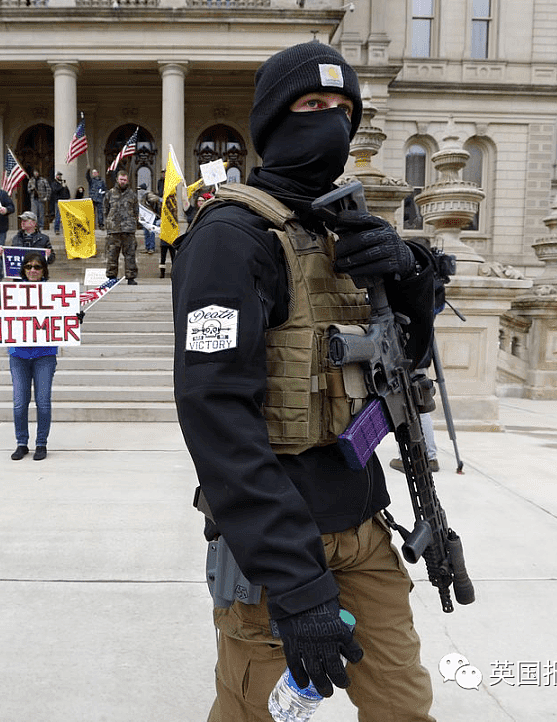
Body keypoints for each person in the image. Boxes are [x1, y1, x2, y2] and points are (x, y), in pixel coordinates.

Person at [172, 42, 439, 722]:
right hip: (276, 543)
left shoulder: (343, 231)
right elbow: (215, 415)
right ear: (272, 121)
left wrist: (409, 286)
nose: (332, 123)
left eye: (345, 109)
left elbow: (402, 372)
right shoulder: (231, 237)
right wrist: (295, 582)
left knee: (404, 707)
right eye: (313, 105)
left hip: (362, 522)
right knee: (257, 713)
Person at [7, 251, 57, 462]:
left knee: (43, 402)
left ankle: (41, 444)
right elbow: (2, 315)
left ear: (44, 270)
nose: (33, 270)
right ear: (23, 270)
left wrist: (74, 316)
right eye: (29, 267)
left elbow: (62, 316)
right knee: (20, 402)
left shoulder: (54, 292)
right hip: (18, 353)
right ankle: (21, 443)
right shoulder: (11, 292)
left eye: (37, 267)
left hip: (44, 353)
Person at [103, 169, 139, 285]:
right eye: (121, 179)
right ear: (117, 180)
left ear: (127, 180)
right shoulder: (109, 193)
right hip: (114, 230)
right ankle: (111, 277)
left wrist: (132, 222)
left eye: (124, 179)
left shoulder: (132, 195)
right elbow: (105, 210)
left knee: (130, 255)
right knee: (112, 254)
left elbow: (136, 211)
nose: (123, 181)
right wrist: (109, 223)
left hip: (128, 230)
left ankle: (131, 277)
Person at [138, 183, 160, 254]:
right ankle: (147, 247)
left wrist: (150, 201)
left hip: (151, 217)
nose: (138, 191)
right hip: (145, 218)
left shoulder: (148, 194)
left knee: (151, 232)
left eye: (139, 189)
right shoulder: (142, 196)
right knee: (146, 233)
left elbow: (157, 199)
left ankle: (151, 248)